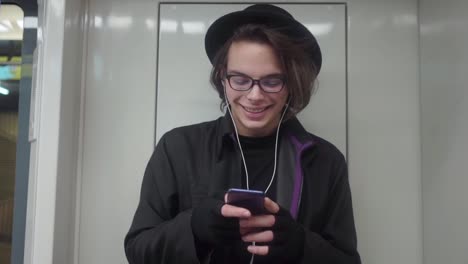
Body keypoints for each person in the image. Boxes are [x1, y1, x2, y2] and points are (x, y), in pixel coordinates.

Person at [124, 4, 361, 264]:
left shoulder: (326, 161)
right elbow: (138, 251)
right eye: (240, 79)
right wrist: (193, 228)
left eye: (272, 81)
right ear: (223, 79)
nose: (255, 96)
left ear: (292, 84)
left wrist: (302, 247)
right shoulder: (177, 147)